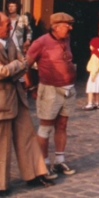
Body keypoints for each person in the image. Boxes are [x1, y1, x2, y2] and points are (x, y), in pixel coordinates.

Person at [0, 12, 52, 195]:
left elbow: (21, 65)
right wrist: (17, 66)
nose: (11, 28)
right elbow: (0, 72)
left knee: (27, 137)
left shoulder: (8, 42)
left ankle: (34, 173)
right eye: (7, 25)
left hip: (17, 97)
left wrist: (16, 67)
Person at [26, 12, 78, 178]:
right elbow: (25, 65)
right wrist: (31, 87)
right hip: (50, 90)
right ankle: (44, 163)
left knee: (62, 125)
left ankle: (59, 160)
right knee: (46, 127)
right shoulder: (41, 42)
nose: (70, 28)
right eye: (66, 25)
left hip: (68, 89)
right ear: (55, 27)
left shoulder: (66, 39)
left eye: (71, 24)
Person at [83, 37, 99, 110]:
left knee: (90, 89)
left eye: (91, 45)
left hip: (95, 74)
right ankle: (97, 103)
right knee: (96, 90)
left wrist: (93, 75)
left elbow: (95, 66)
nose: (90, 47)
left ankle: (90, 103)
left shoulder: (95, 55)